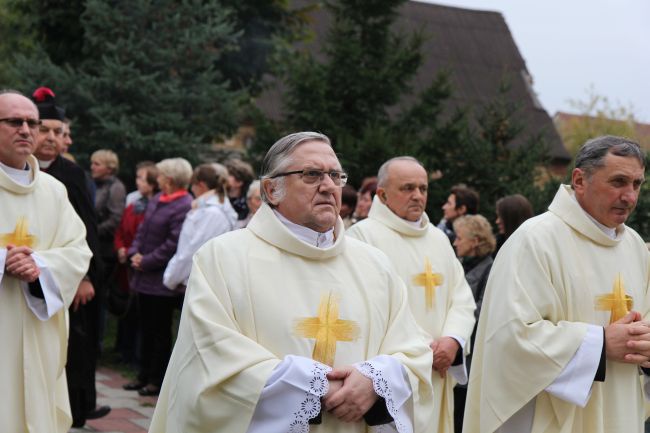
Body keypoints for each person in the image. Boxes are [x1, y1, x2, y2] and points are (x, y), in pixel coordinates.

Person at [149, 132, 434, 433]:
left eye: (335, 175)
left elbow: (413, 350)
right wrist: (313, 386)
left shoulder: (376, 264)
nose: (328, 186)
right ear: (272, 190)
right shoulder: (221, 258)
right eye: (311, 174)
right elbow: (210, 355)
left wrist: (375, 381)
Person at [463, 135, 650, 433]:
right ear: (579, 180)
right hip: (549, 417)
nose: (630, 196)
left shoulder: (636, 247)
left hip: (620, 409)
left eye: (637, 184)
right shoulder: (535, 239)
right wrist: (599, 345)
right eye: (618, 182)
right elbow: (511, 337)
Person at [348, 156, 476, 433]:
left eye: (423, 188)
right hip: (396, 373)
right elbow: (370, 308)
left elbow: (461, 297)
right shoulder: (362, 238)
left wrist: (453, 339)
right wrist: (424, 350)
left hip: (438, 371)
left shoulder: (438, 238)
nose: (418, 196)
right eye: (407, 188)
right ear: (382, 194)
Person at [0, 90, 91, 431]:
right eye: (13, 121)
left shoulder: (53, 190)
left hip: (38, 333)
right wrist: (3, 262)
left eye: (32, 123)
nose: (25, 129)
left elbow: (78, 250)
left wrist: (37, 265)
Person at [31, 87, 110, 426]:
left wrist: (85, 277)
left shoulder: (71, 174)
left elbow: (85, 231)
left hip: (66, 282)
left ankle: (75, 410)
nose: (50, 138)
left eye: (56, 131)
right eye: (44, 129)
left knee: (72, 349)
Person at [124, 157, 193, 397]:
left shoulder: (184, 204)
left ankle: (156, 380)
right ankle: (142, 375)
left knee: (160, 333)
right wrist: (134, 253)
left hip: (161, 282)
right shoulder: (157, 199)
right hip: (143, 278)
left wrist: (148, 260)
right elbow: (142, 231)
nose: (158, 178)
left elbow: (174, 243)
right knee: (145, 328)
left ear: (170, 179)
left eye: (161, 175)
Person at [449, 214, 495, 433]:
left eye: (459, 238)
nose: (455, 242)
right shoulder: (460, 267)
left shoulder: (490, 271)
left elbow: (480, 313)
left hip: (471, 360)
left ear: (475, 241)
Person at [163, 163, 237, 290]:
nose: (192, 189)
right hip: (195, 281)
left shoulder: (212, 214)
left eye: (193, 185)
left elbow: (192, 252)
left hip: (199, 284)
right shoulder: (210, 209)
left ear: (201, 185)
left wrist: (170, 279)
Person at [113, 161, 159, 365]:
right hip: (127, 263)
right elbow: (121, 229)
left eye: (141, 178)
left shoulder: (156, 206)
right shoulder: (133, 204)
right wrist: (120, 248)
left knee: (141, 313)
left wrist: (136, 254)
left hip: (142, 264)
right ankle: (123, 350)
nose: (137, 181)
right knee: (126, 309)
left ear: (152, 182)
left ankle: (137, 357)